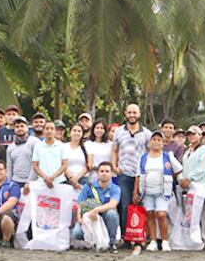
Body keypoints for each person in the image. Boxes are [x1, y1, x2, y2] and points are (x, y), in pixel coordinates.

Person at [134, 130, 181, 252]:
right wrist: (135, 192)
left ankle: (165, 240)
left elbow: (178, 169)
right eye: (154, 139)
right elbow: (138, 175)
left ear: (162, 143)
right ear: (150, 142)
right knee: (149, 214)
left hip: (162, 190)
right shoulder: (143, 157)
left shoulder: (168, 156)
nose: (156, 142)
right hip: (147, 190)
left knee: (161, 214)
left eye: (159, 140)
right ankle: (153, 240)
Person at [110, 103, 151, 237]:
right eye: (130, 112)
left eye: (135, 112)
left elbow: (150, 153)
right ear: (125, 114)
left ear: (139, 114)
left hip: (141, 175)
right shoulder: (118, 132)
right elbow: (114, 150)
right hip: (124, 174)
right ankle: (125, 236)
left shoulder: (146, 133)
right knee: (125, 205)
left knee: (143, 205)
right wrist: (114, 166)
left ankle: (141, 236)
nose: (132, 115)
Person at [73, 161, 121, 248]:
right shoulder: (88, 187)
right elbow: (80, 204)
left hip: (105, 216)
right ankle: (93, 242)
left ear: (112, 174)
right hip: (89, 216)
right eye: (102, 171)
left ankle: (111, 243)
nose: (104, 174)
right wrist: (80, 219)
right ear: (98, 173)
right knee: (76, 233)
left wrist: (96, 210)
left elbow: (112, 204)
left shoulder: (115, 188)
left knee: (112, 214)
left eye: (107, 171)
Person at [31, 120, 66, 188]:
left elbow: (64, 165)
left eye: (52, 129)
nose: (49, 131)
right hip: (42, 182)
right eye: (47, 128)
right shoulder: (38, 146)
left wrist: (53, 177)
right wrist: (45, 177)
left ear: (55, 131)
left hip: (59, 181)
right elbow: (35, 165)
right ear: (43, 131)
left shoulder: (62, 146)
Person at [4, 115, 38, 187]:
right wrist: (8, 184)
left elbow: (36, 164)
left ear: (27, 127)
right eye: (17, 127)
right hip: (15, 181)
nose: (20, 128)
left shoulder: (34, 142)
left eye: (22, 126)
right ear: (14, 129)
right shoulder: (10, 147)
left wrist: (29, 182)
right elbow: (9, 168)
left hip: (32, 182)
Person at [178, 125, 205, 193]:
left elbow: (202, 168)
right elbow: (181, 166)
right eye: (189, 135)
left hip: (198, 186)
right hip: (186, 186)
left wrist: (189, 178)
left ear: (200, 135)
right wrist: (181, 179)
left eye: (193, 134)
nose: (191, 136)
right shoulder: (186, 150)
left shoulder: (204, 149)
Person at [61, 122, 89, 187]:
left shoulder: (87, 147)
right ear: (70, 133)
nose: (76, 133)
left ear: (82, 134)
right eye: (74, 130)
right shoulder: (63, 147)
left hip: (83, 179)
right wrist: (71, 177)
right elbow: (61, 164)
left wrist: (77, 177)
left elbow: (88, 165)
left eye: (79, 131)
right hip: (66, 179)